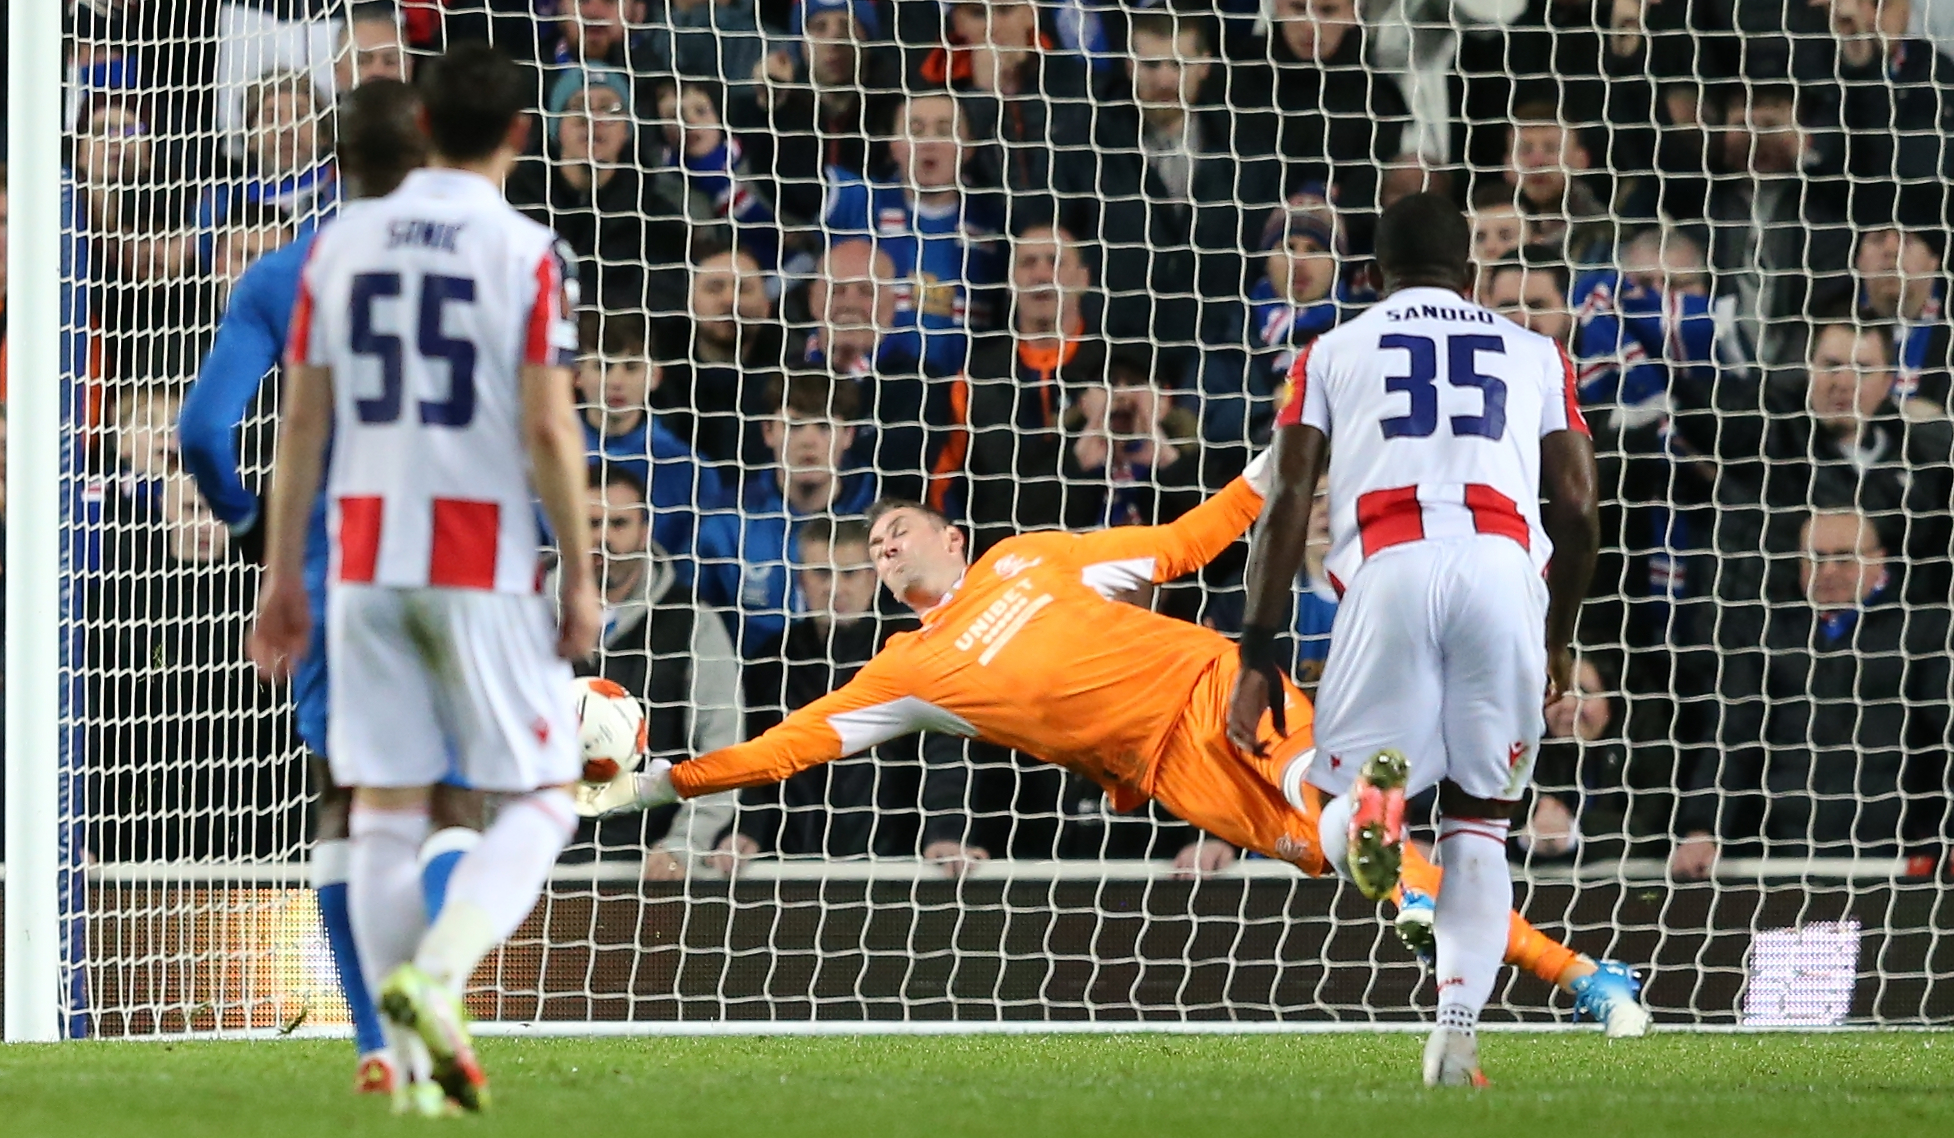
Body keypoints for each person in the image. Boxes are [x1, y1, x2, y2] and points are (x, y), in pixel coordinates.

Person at [581, 448, 1645, 1041]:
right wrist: (663, 783)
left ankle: (1380, 842)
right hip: (1168, 773)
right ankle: (1588, 977)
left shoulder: (1028, 560)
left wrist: (1278, 460)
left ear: (954, 539)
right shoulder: (901, 670)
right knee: (1352, 858)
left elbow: (1182, 544)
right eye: (870, 543)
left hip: (1213, 682)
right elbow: (790, 746)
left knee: (1325, 801)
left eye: (896, 525)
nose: (881, 540)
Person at [248, 45, 601, 1116]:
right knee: (548, 792)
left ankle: (407, 1075)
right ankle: (438, 977)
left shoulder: (338, 247)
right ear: (518, 135)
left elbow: (302, 419)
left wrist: (281, 576)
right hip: (478, 561)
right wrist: (581, 574)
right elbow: (547, 424)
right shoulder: (525, 247)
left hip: (360, 562)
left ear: (421, 124)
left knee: (385, 813)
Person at [1228, 193, 1603, 1085]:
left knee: (1332, 810)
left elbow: (1285, 504)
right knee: (1480, 827)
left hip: (1387, 571)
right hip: (1504, 573)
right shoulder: (1537, 352)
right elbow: (1581, 509)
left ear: (1371, 276)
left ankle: (1372, 809)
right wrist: (1557, 638)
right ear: (1471, 277)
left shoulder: (1330, 350)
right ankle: (1456, 1028)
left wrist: (1256, 654)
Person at [179, 80, 470, 1099]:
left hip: (329, 565)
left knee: (349, 802)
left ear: (328, 158)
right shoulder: (478, 262)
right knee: (452, 797)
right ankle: (432, 986)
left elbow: (204, 433)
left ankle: (373, 1044)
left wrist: (256, 525)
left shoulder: (284, 272)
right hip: (453, 551)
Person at [1671, 510, 1951, 876]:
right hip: (1783, 854)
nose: (1829, 570)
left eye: (1844, 557)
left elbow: (1945, 735)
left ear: (1879, 559)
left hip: (1896, 854)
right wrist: (1701, 828)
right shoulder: (1764, 632)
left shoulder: (1926, 630)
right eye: (1817, 558)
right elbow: (1732, 736)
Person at [721, 517, 983, 872]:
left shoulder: (913, 651)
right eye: (822, 575)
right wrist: (747, 829)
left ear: (874, 578)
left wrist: (945, 832)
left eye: (849, 574)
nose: (835, 589)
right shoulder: (772, 661)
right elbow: (753, 755)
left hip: (897, 867)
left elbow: (944, 752)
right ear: (801, 580)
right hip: (790, 868)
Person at [569, 465, 739, 880]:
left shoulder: (693, 621)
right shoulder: (532, 617)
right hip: (547, 860)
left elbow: (722, 748)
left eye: (619, 523)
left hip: (656, 865)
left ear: (645, 531)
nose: (604, 538)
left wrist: (685, 841)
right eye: (591, 523)